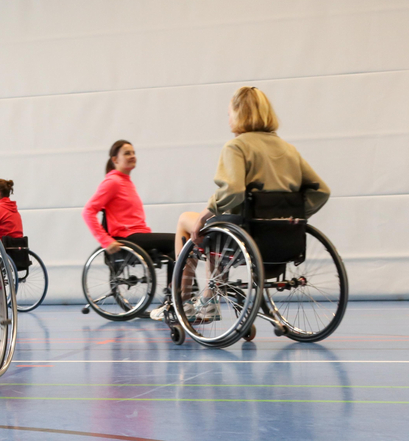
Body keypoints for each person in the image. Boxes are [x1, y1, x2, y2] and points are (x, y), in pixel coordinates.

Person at [174, 86, 330, 320]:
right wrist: (291, 216)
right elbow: (322, 192)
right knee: (220, 229)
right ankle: (208, 296)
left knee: (186, 220)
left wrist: (204, 215)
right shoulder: (289, 150)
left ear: (238, 112)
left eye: (229, 113)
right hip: (282, 237)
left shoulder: (237, 146)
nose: (228, 119)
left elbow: (233, 192)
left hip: (245, 234)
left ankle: (183, 301)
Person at [82, 140, 177, 319]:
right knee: (179, 240)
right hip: (128, 238)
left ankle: (177, 296)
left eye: (133, 152)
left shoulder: (126, 182)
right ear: (115, 159)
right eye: (127, 153)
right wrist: (106, 241)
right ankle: (176, 299)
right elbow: (88, 211)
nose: (132, 156)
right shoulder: (112, 182)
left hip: (139, 236)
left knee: (177, 248)